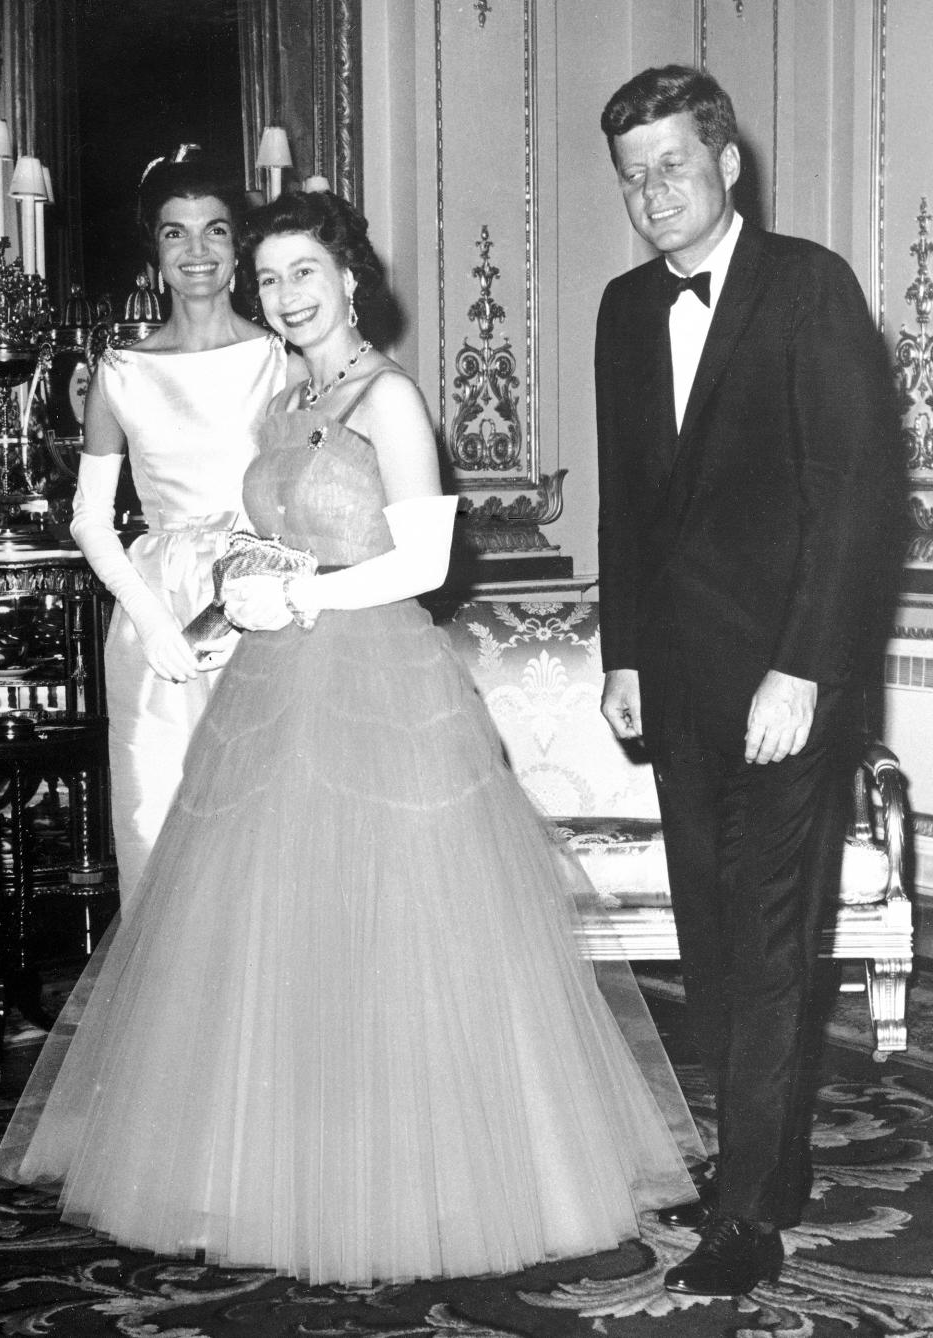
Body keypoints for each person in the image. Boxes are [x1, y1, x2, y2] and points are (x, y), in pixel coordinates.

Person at [0, 188, 705, 1287]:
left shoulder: (389, 399)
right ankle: (274, 1169)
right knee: (281, 935)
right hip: (277, 682)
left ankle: (415, 1179)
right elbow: (269, 532)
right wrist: (249, 579)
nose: (284, 296)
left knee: (392, 936)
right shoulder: (290, 399)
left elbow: (424, 565)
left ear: (350, 279)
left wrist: (308, 597)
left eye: (303, 275)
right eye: (269, 278)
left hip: (376, 681)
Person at [595, 65, 897, 1298]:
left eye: (672, 164)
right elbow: (625, 503)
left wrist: (806, 673)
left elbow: (859, 503)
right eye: (631, 176)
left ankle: (743, 1216)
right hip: (676, 685)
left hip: (787, 686)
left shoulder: (811, 287)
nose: (652, 192)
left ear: (728, 164)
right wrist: (621, 652)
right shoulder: (622, 310)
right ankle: (772, 1164)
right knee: (712, 943)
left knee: (770, 945)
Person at [71, 151, 290, 902]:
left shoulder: (279, 360)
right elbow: (89, 520)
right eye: (175, 234)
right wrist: (149, 617)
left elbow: (305, 493)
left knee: (261, 825)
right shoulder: (120, 370)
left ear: (238, 249)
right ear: (156, 254)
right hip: (156, 613)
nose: (196, 251)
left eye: (214, 231)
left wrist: (263, 587)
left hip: (258, 602)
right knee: (158, 821)